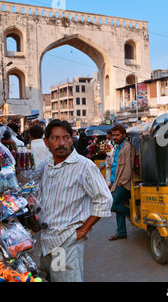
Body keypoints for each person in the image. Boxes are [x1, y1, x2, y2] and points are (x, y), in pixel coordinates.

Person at [35, 119, 112, 282]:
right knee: (50, 278)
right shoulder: (45, 165)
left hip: (64, 242)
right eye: (55, 138)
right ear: (46, 142)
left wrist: (82, 231)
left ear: (72, 139)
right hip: (45, 240)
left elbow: (104, 200)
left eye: (66, 137)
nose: (61, 143)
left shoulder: (84, 166)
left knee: (64, 279)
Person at [108, 124, 135, 241]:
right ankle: (121, 232)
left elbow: (128, 168)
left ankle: (131, 213)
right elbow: (112, 163)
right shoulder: (117, 147)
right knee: (118, 206)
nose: (115, 137)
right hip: (115, 181)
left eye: (117, 135)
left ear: (124, 135)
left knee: (112, 205)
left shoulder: (127, 147)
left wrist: (120, 182)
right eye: (113, 135)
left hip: (122, 182)